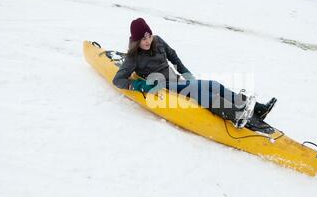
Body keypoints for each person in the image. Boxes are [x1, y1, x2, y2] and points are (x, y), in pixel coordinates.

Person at [113, 18, 276, 128]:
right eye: (143, 39)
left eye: (148, 36)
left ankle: (256, 108)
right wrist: (141, 86)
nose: (147, 40)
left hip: (175, 81)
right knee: (199, 91)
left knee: (212, 84)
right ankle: (235, 114)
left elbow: (173, 57)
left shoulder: (158, 41)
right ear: (136, 41)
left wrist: (187, 75)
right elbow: (118, 80)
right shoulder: (133, 57)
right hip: (162, 89)